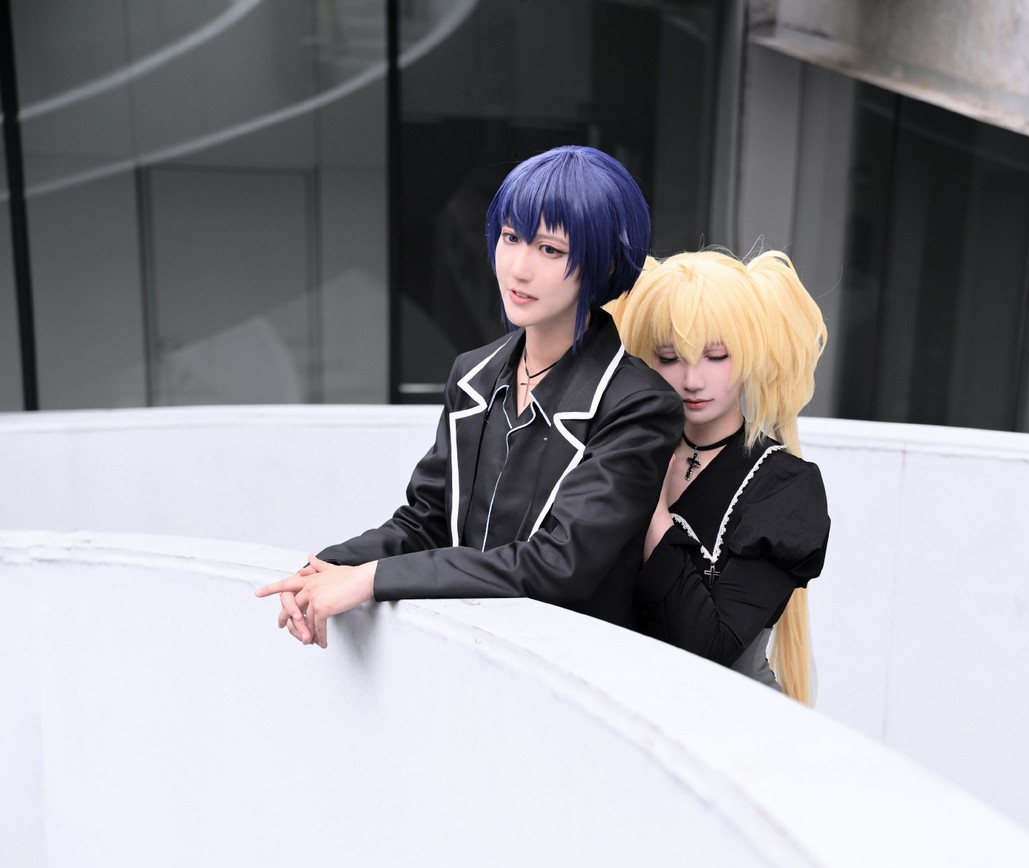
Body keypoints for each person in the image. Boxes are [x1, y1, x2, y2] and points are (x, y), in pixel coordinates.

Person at [256, 146, 683, 646]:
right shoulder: (473, 376)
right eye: (511, 238)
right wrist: (326, 568)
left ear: (604, 262)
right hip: (465, 654)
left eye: (550, 250)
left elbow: (558, 564)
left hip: (570, 665)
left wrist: (372, 579)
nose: (518, 268)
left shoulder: (638, 405)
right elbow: (426, 522)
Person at [609, 248, 829, 703]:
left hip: (731, 723)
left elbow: (709, 647)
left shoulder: (784, 486)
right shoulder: (618, 453)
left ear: (751, 354)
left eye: (716, 356)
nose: (692, 379)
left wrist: (654, 513)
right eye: (669, 357)